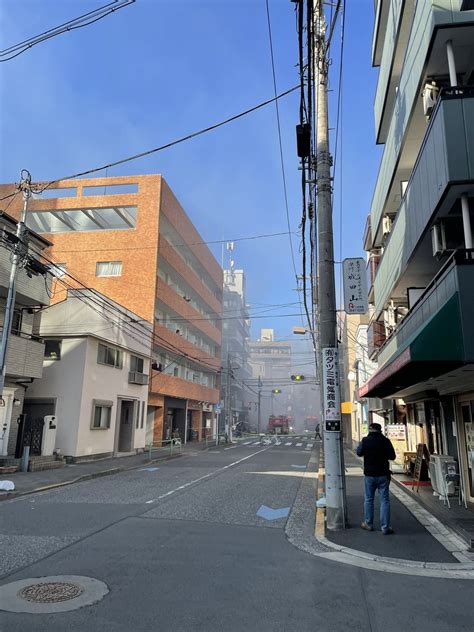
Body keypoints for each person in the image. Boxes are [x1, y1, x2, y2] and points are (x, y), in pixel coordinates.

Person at [356, 422, 396, 535]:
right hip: (383, 475)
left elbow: (359, 453)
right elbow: (392, 456)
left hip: (369, 475)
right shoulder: (385, 441)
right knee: (385, 500)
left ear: (370, 430)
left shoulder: (365, 440)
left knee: (369, 499)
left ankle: (368, 524)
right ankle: (385, 527)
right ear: (380, 430)